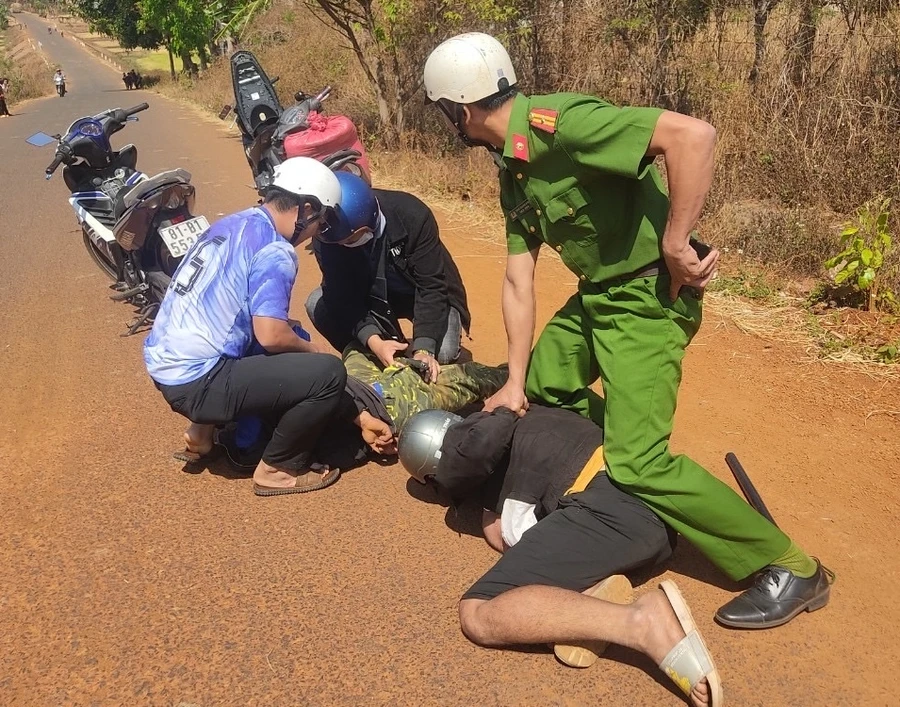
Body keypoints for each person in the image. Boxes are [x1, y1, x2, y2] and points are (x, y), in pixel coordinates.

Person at [423, 33, 832, 629]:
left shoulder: (559, 123)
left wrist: (674, 241)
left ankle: (789, 567)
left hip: (646, 298)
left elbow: (692, 137)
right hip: (598, 297)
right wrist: (512, 382)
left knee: (641, 463)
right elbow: (517, 280)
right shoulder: (512, 172)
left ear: (457, 111)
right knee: (545, 381)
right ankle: (618, 451)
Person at [398, 406, 721, 706]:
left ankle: (639, 621)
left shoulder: (495, 487)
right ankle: (583, 599)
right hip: (661, 509)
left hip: (620, 519)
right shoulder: (533, 413)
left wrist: (492, 516)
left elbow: (518, 535)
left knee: (478, 613)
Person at [144, 157, 385, 497]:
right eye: (324, 220)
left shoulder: (233, 224)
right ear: (306, 209)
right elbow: (270, 336)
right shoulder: (276, 250)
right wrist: (313, 351)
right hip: (198, 381)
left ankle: (201, 430)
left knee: (285, 333)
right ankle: (277, 469)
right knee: (326, 371)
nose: (320, 231)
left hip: (166, 364)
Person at [220, 343, 507, 470]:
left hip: (363, 387)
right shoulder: (293, 428)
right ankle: (524, 377)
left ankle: (407, 358)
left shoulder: (277, 424)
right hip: (389, 407)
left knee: (356, 346)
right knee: (473, 377)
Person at [305, 171, 470, 381]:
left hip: (417, 293)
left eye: (351, 239)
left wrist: (424, 349)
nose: (344, 246)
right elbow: (342, 297)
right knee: (316, 303)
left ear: (371, 220)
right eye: (340, 242)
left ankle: (415, 351)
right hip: (372, 297)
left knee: (443, 351)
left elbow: (431, 286)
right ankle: (374, 355)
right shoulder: (325, 237)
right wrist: (374, 341)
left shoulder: (411, 215)